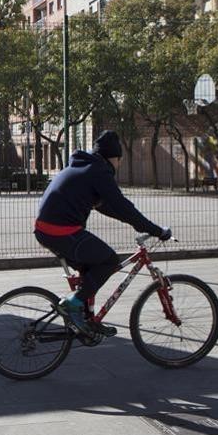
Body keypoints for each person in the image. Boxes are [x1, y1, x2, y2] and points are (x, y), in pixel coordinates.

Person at [34, 130, 171, 336]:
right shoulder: (99, 171)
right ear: (113, 157)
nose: (119, 165)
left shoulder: (84, 166)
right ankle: (73, 304)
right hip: (62, 231)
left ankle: (88, 320)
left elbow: (107, 207)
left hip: (46, 229)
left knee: (91, 267)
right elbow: (122, 206)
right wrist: (155, 230)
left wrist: (135, 223)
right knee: (108, 260)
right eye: (119, 160)